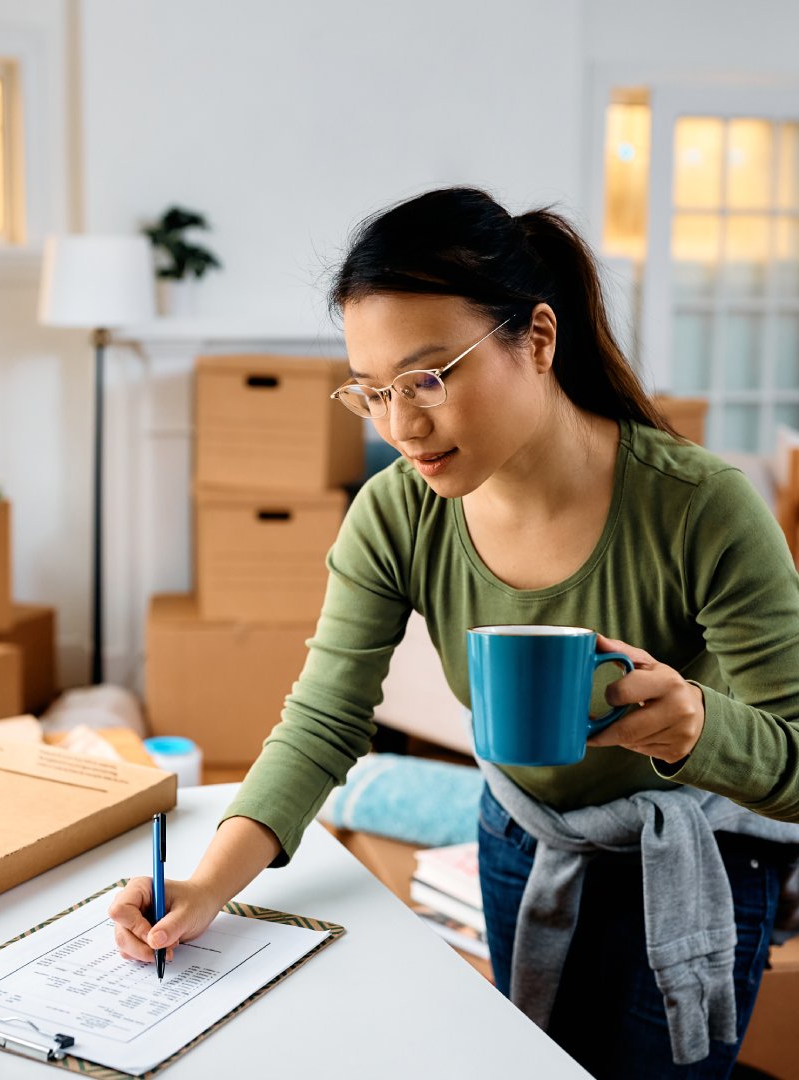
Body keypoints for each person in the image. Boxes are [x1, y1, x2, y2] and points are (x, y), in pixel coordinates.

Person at [109, 186, 799, 1078]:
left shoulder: (699, 507)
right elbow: (324, 720)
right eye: (373, 392)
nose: (401, 425)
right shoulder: (395, 515)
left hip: (690, 855)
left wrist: (698, 727)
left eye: (429, 377)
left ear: (539, 340)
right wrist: (206, 884)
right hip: (521, 836)